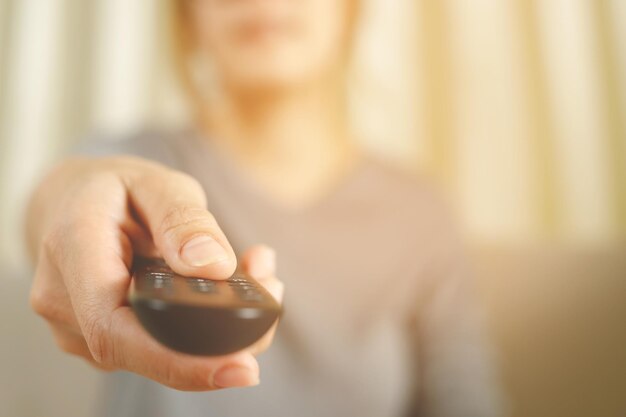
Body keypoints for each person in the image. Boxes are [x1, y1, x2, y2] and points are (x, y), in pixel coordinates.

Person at [26, 1, 505, 416]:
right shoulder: (138, 163)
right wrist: (69, 198)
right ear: (190, 17)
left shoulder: (419, 209)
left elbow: (462, 396)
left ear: (350, 10)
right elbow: (62, 200)